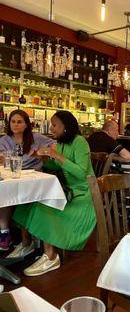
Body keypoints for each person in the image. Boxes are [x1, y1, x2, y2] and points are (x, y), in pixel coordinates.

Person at [6, 111, 96, 276]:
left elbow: (82, 173)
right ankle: (27, 245)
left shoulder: (80, 142)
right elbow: (59, 167)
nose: (52, 128)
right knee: (27, 203)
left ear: (65, 126)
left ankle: (51, 256)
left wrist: (56, 156)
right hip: (67, 190)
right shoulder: (61, 143)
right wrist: (46, 160)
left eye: (54, 125)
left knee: (44, 206)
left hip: (83, 194)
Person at [0, 109, 53, 251]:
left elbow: (56, 145)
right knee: (4, 190)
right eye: (13, 122)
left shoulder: (37, 138)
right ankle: (4, 232)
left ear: (26, 125)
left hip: (34, 182)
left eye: (19, 122)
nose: (16, 125)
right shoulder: (4, 140)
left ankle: (24, 240)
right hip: (13, 179)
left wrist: (43, 152)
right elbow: (3, 161)